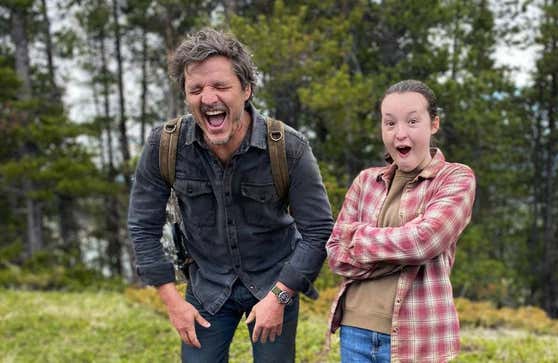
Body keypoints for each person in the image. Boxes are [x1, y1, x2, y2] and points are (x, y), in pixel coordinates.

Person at [128, 28, 334, 362]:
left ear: (246, 89)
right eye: (196, 89)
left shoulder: (289, 148)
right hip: (206, 283)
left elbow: (319, 230)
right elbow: (142, 226)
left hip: (274, 282)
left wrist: (281, 296)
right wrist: (173, 302)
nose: (208, 98)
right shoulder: (164, 146)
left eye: (220, 86)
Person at [326, 80, 476, 362]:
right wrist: (401, 248)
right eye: (390, 123)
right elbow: (335, 253)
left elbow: (423, 243)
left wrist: (356, 238)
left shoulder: (455, 178)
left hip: (418, 334)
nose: (400, 133)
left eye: (412, 121)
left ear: (434, 124)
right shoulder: (366, 181)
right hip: (355, 330)